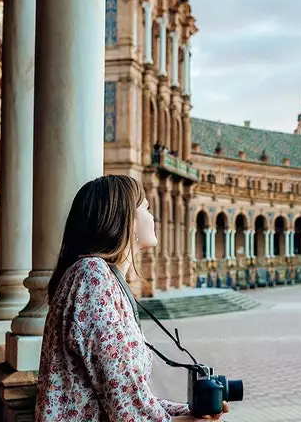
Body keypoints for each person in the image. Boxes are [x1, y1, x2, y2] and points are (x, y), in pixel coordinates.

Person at [35, 174, 228, 422]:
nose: (153, 216)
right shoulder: (92, 276)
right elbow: (127, 406)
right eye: (146, 208)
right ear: (126, 220)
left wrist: (189, 412)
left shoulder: (102, 278)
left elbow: (130, 396)